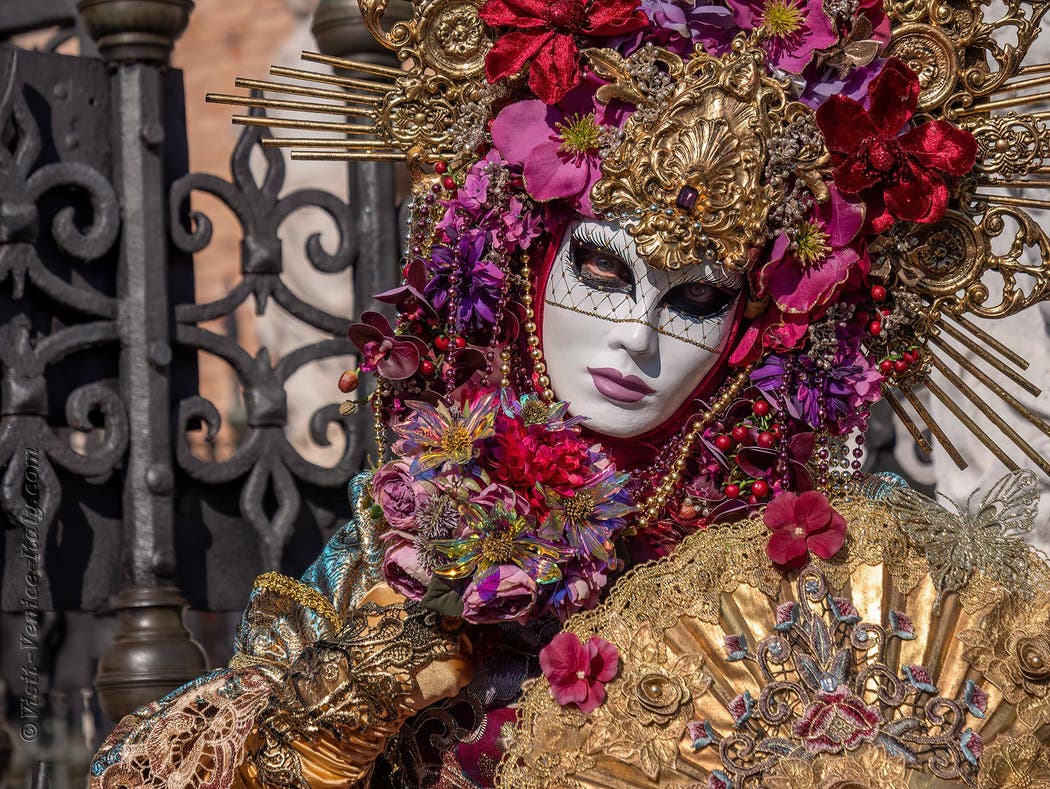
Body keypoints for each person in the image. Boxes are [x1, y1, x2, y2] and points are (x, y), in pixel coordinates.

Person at [91, 0, 1050, 786]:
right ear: (523, 258)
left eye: (698, 299)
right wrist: (335, 728)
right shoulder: (422, 541)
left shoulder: (839, 568)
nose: (636, 340)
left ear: (755, 330)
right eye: (600, 271)